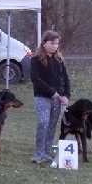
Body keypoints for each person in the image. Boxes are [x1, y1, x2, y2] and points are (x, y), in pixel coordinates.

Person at [30, 30, 70, 163]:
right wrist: (51, 92)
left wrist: (65, 95)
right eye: (52, 43)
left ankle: (46, 151)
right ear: (44, 43)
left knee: (52, 124)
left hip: (59, 99)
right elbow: (36, 79)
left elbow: (65, 78)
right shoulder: (35, 60)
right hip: (42, 96)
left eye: (57, 44)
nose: (55, 46)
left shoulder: (59, 60)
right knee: (43, 122)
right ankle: (38, 153)